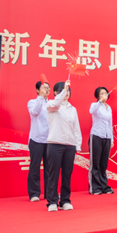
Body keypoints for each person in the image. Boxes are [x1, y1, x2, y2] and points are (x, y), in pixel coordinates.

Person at [45, 80, 82, 212]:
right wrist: (63, 91)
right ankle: (52, 201)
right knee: (53, 174)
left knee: (67, 174)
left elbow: (76, 128)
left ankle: (65, 200)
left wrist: (78, 145)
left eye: (68, 90)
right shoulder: (52, 105)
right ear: (55, 93)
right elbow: (56, 103)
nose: (66, 93)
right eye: (62, 90)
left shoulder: (73, 109)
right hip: (55, 144)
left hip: (70, 145)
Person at [27, 81, 50, 202]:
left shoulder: (52, 104)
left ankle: (49, 193)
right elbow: (35, 112)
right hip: (36, 139)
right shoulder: (32, 102)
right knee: (35, 167)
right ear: (37, 90)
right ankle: (34, 193)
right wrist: (41, 97)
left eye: (48, 88)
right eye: (43, 87)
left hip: (50, 139)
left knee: (49, 168)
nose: (46, 89)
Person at [88, 87, 114, 195]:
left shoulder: (109, 108)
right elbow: (91, 111)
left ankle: (104, 186)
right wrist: (99, 102)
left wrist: (111, 139)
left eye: (106, 93)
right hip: (96, 136)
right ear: (98, 95)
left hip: (106, 137)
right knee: (95, 163)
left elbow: (110, 124)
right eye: (102, 93)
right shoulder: (95, 105)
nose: (104, 95)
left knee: (104, 163)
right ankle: (95, 187)